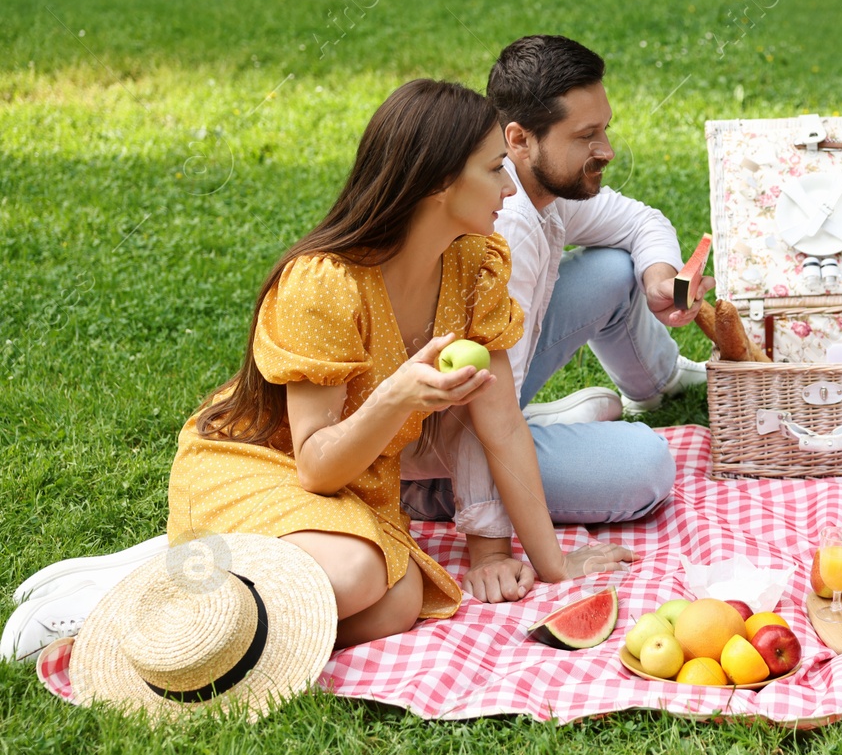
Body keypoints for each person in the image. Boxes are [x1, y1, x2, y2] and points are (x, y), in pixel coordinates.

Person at [5, 80, 633, 658]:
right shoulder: (325, 284)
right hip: (259, 464)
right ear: (439, 182)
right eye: (495, 168)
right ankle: (118, 612)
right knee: (360, 577)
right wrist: (398, 398)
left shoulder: (474, 264)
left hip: (353, 488)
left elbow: (502, 428)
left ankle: (198, 597)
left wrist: (554, 566)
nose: (508, 187)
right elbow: (314, 463)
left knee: (398, 602)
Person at [397, 35, 708, 604]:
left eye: (604, 128)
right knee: (646, 467)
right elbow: (476, 404)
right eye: (586, 136)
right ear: (518, 139)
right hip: (434, 431)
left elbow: (640, 221)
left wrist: (660, 278)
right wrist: (489, 547)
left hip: (489, 384)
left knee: (617, 268)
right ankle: (428, 493)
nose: (607, 148)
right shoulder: (506, 225)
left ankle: (655, 382)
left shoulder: (544, 183)